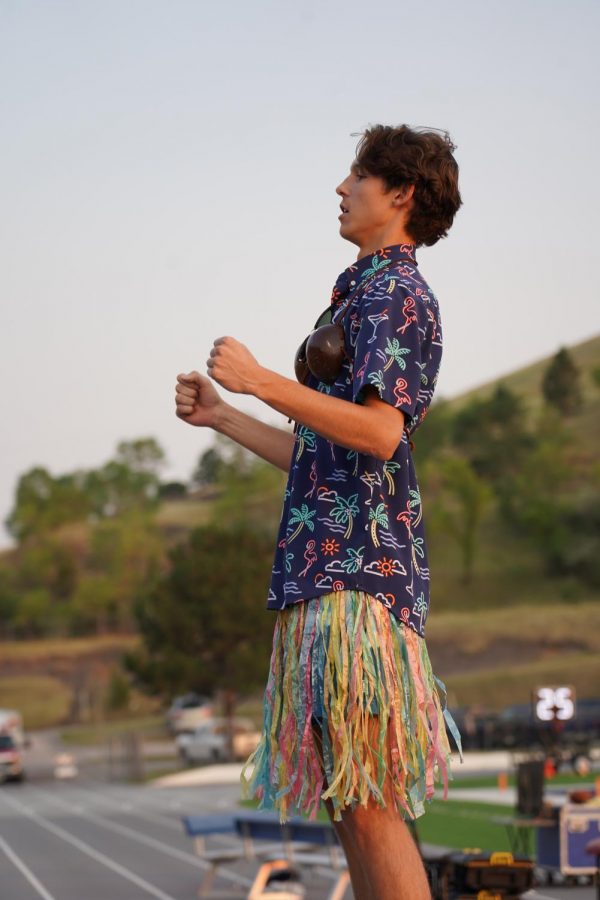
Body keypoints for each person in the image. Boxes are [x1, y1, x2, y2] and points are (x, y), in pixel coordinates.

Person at [175, 124, 462, 900]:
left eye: (356, 177)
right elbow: (319, 455)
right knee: (347, 798)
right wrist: (224, 418)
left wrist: (263, 380)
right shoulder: (360, 291)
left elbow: (378, 433)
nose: (340, 189)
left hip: (357, 581)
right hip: (321, 569)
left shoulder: (399, 294)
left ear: (399, 193)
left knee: (367, 800)